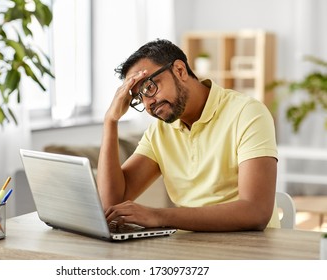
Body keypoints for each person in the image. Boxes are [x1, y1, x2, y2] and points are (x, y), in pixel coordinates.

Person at [97, 39, 279, 231]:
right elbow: (110, 204)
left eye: (149, 87)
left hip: (249, 250)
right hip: (188, 248)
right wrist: (110, 121)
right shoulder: (159, 132)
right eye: (138, 97)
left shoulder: (247, 112)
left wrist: (158, 216)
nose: (148, 103)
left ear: (180, 70)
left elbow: (256, 211)